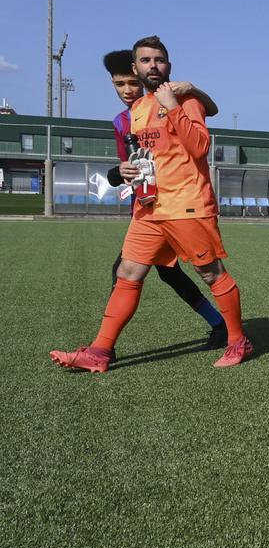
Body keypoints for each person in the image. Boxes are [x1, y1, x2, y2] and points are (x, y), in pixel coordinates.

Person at [50, 36, 252, 374]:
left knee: (210, 273)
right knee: (127, 273)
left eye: (159, 60)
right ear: (135, 67)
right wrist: (128, 169)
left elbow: (200, 147)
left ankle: (237, 341)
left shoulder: (185, 100)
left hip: (186, 204)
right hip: (149, 208)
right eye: (145, 60)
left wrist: (173, 103)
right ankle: (99, 351)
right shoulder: (138, 110)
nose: (152, 65)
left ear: (168, 66)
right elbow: (150, 155)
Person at [99, 49, 227, 350]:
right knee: (166, 273)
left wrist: (192, 87)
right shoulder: (124, 120)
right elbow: (128, 167)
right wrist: (117, 173)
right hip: (146, 208)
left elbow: (209, 113)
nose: (128, 90)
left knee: (192, 271)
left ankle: (105, 348)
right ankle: (220, 326)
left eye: (132, 83)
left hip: (178, 206)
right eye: (120, 85)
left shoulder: (167, 105)